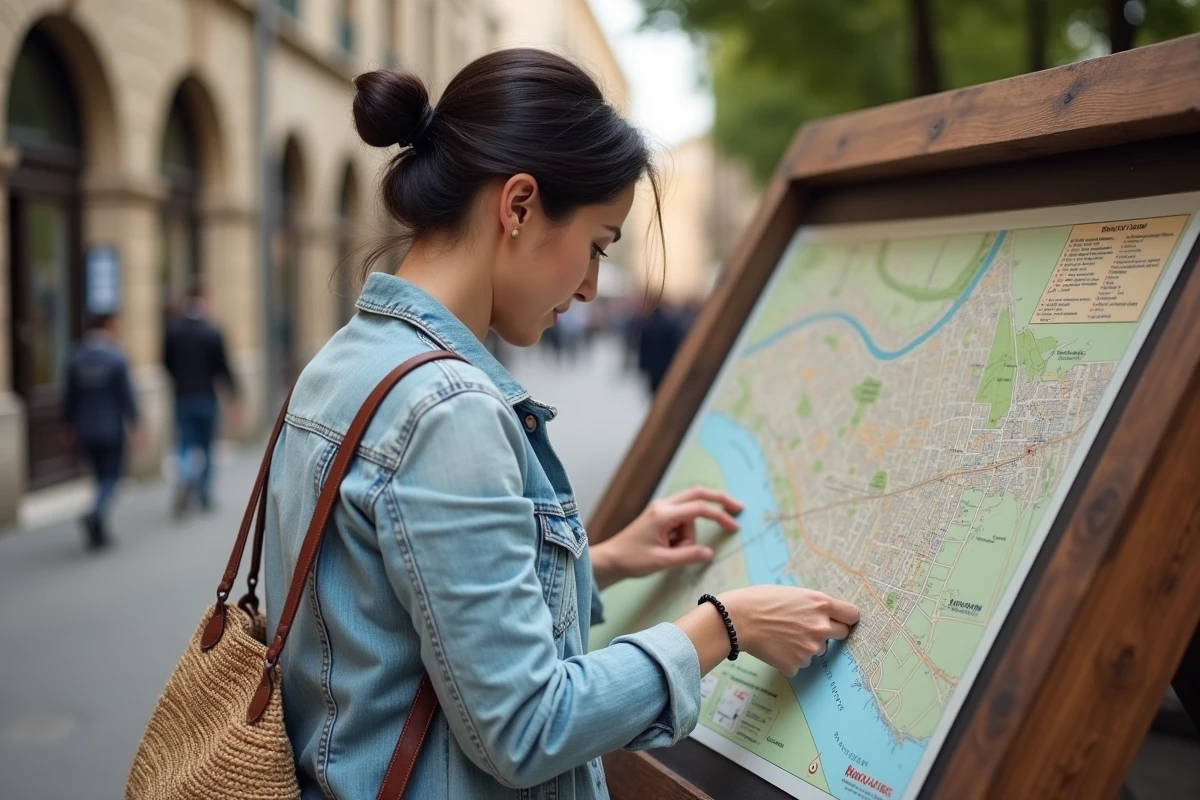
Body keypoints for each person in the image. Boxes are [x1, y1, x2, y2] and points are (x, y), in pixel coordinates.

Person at [263, 49, 859, 799]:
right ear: (517, 206)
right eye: (599, 244)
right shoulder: (448, 412)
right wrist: (723, 627)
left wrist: (601, 559)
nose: (589, 286)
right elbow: (525, 724)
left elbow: (400, 603)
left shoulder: (342, 363)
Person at [61, 313, 141, 550]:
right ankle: (95, 514)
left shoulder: (76, 357)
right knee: (112, 479)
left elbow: (69, 397)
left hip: (85, 429)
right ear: (108, 326)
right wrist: (136, 425)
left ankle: (99, 529)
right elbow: (126, 396)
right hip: (110, 429)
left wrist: (67, 424)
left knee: (99, 478)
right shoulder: (116, 358)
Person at [163, 283, 240, 515]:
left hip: (182, 397)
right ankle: (205, 495)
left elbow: (165, 361)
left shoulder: (173, 329)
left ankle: (186, 476)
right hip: (206, 397)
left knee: (185, 443)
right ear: (204, 299)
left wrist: (179, 380)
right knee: (207, 448)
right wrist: (234, 396)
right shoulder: (212, 331)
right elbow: (223, 367)